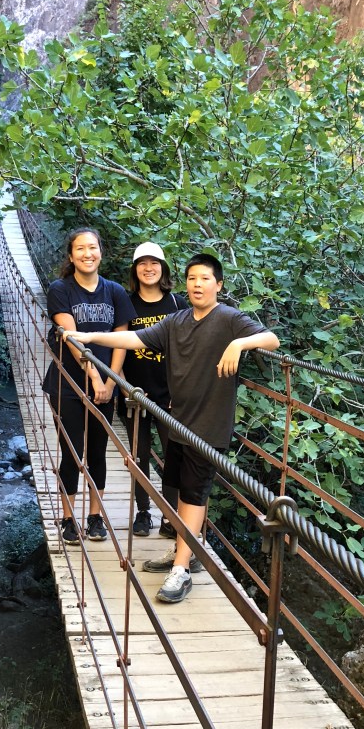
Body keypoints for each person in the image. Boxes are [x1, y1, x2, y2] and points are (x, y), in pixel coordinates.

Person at [65, 252, 280, 603]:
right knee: (182, 490)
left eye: (205, 279)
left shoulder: (229, 319)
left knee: (194, 494)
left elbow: (271, 340)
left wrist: (240, 343)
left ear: (218, 284)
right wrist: (90, 339)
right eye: (192, 278)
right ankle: (185, 549)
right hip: (178, 420)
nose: (197, 284)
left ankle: (181, 570)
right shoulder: (176, 320)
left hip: (207, 425)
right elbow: (135, 339)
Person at [43, 227, 135, 545]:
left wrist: (111, 381)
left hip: (105, 387)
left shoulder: (115, 292)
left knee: (98, 451)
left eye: (92, 247)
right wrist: (96, 378)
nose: (87, 253)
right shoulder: (61, 289)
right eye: (80, 248)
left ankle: (95, 517)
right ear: (71, 256)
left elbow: (122, 340)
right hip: (68, 383)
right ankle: (69, 519)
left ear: (100, 252)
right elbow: (71, 339)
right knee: (71, 452)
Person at [121, 242, 188, 539]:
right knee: (139, 456)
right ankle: (143, 512)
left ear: (163, 268)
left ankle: (170, 517)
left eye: (154, 263)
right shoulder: (125, 304)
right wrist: (124, 387)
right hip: (135, 395)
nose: (149, 268)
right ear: (135, 270)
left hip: (170, 397)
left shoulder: (177, 304)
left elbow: (188, 350)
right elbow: (118, 348)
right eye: (142, 263)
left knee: (173, 457)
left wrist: (181, 390)